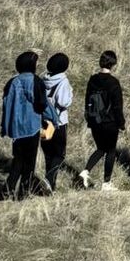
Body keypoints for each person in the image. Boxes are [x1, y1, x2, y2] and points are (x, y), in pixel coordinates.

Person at [0, 51, 48, 201]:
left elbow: (6, 102)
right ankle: (23, 193)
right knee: (29, 163)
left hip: (16, 128)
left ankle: (7, 190)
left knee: (18, 160)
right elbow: (41, 104)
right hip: (31, 127)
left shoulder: (12, 82)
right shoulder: (36, 81)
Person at [78, 51, 124, 191]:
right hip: (110, 122)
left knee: (100, 148)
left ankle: (86, 171)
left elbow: (87, 100)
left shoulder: (92, 80)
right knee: (110, 151)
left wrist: (89, 118)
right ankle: (106, 183)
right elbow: (117, 106)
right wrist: (121, 123)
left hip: (94, 121)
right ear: (113, 64)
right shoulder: (114, 82)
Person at [41, 53, 73, 192]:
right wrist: (71, 93)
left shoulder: (44, 80)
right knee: (59, 155)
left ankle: (50, 187)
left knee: (48, 155)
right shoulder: (63, 81)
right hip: (59, 122)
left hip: (44, 121)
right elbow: (64, 102)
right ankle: (49, 179)